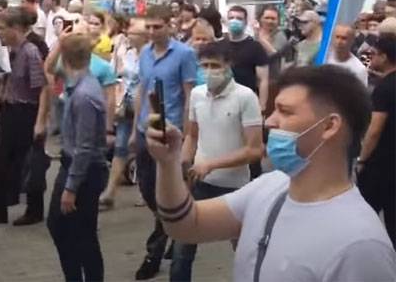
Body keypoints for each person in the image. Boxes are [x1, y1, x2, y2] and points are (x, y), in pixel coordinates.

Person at [147, 65, 396, 281]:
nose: (270, 121)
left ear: (330, 126)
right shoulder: (271, 187)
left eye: (285, 111)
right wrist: (168, 163)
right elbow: (187, 225)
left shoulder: (361, 245)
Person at [171, 42, 264, 281]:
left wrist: (212, 164)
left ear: (228, 66)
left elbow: (255, 149)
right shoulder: (196, 94)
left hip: (235, 187)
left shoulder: (245, 97)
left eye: (215, 66)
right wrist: (183, 164)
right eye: (205, 66)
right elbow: (192, 135)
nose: (209, 71)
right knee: (182, 249)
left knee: (245, 250)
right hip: (199, 183)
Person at [132, 4, 198, 280]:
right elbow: (141, 88)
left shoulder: (184, 54)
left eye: (157, 26)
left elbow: (188, 96)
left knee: (164, 194)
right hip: (145, 130)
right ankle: (169, 227)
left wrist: (186, 137)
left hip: (169, 133)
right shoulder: (145, 53)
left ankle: (154, 252)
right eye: (148, 27)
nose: (152, 31)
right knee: (147, 190)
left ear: (169, 26)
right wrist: (136, 123)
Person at [46, 33, 108, 282]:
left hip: (83, 170)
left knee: (81, 233)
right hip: (74, 165)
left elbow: (85, 147)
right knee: (64, 228)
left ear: (65, 57)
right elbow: (49, 67)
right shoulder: (78, 80)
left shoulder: (84, 95)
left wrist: (71, 188)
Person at [0, 8, 47, 224]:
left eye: (2, 28)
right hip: (11, 110)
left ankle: (33, 210)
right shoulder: (11, 51)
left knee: (28, 162)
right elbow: (13, 76)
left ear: (16, 28)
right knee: (2, 161)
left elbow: (42, 88)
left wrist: (40, 121)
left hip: (26, 112)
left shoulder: (30, 52)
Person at [100, 18, 147, 207]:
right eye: (129, 31)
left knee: (143, 151)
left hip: (143, 108)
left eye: (133, 32)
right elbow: (119, 75)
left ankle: (147, 191)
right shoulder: (127, 52)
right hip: (126, 104)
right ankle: (110, 192)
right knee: (120, 147)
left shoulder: (150, 56)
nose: (128, 35)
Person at [357, 34, 396, 245]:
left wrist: (362, 160)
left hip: (380, 163)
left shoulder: (384, 88)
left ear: (385, 57)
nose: (371, 57)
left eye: (375, 54)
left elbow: (374, 129)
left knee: (364, 213)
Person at [218, 5, 269, 111]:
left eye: (239, 18)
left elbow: (263, 79)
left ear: (245, 22)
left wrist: (262, 106)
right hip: (223, 100)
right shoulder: (220, 46)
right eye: (231, 18)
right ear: (227, 21)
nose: (234, 21)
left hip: (247, 101)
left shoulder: (255, 47)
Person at [255, 5, 289, 82]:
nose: (270, 21)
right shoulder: (253, 33)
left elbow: (274, 53)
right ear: (260, 19)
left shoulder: (280, 35)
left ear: (278, 21)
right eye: (267, 18)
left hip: (271, 80)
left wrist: (260, 39)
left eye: (273, 19)